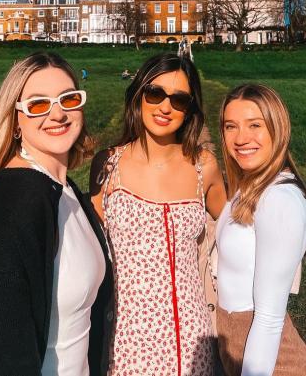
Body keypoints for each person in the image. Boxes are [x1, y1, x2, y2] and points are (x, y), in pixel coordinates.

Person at [0, 52, 113, 376]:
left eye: (68, 99)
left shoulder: (61, 189)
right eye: (38, 104)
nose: (57, 114)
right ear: (15, 120)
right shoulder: (19, 202)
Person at [90, 53, 226, 376]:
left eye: (179, 100)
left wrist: (300, 224)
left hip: (191, 343)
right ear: (138, 95)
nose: (165, 107)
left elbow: (238, 224)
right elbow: (90, 251)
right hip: (125, 343)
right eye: (155, 93)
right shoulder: (107, 164)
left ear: (190, 110)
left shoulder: (202, 166)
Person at [216, 83, 306, 376]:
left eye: (254, 125)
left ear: (278, 128)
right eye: (231, 126)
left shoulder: (279, 199)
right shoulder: (252, 186)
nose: (241, 138)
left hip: (269, 361)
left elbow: (269, 320)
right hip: (240, 346)